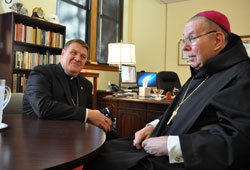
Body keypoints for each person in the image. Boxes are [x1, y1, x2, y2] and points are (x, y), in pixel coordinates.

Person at [84, 10, 250, 170]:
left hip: (192, 158)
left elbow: (239, 140)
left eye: (191, 39)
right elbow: (180, 110)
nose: (184, 47)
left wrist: (172, 146)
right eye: (184, 40)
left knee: (105, 162)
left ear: (218, 40)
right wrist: (153, 126)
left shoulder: (242, 75)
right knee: (103, 149)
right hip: (165, 140)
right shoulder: (203, 72)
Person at [23, 39, 118, 139]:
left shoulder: (86, 84)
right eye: (74, 53)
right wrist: (87, 114)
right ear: (63, 53)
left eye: (83, 56)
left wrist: (101, 121)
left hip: (77, 139)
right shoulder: (42, 73)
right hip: (41, 139)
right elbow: (43, 108)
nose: (78, 59)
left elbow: (91, 118)